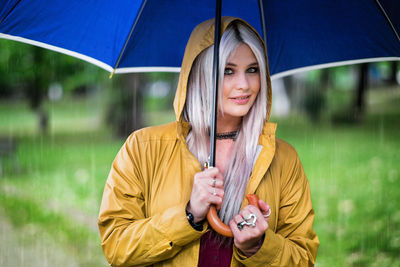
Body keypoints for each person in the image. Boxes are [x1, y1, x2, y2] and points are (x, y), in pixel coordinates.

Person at [98, 17, 319, 267]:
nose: (244, 85)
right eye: (228, 70)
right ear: (201, 75)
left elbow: (303, 258)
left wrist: (260, 247)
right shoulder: (142, 148)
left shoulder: (284, 159)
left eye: (253, 69)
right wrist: (189, 215)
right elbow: (117, 246)